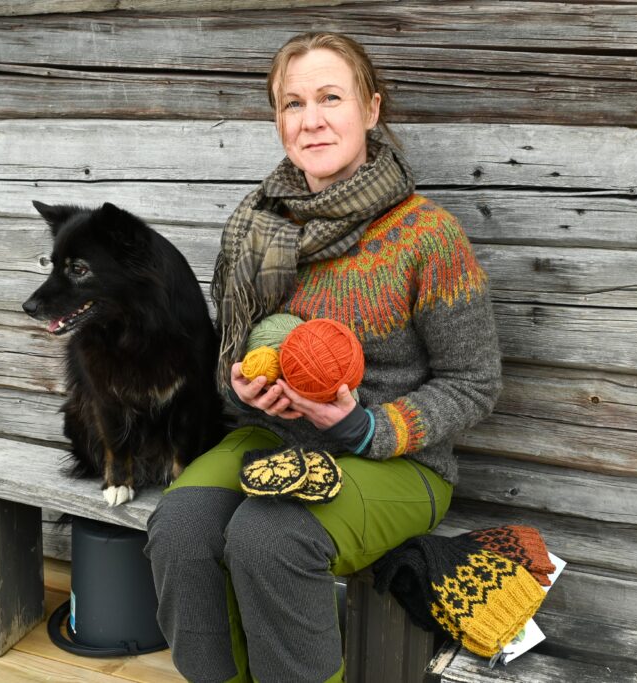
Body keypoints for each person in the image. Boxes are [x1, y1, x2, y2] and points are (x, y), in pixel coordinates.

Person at [145, 31, 502, 683]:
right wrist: (244, 391)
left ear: (371, 108)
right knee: (181, 524)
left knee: (269, 537)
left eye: (330, 97)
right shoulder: (255, 228)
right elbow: (237, 357)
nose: (310, 120)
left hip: (399, 459)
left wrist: (364, 425)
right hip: (270, 434)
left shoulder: (428, 236)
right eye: (292, 103)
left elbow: (475, 383)